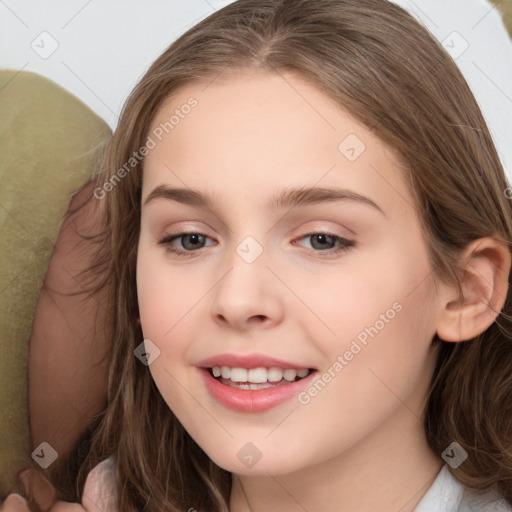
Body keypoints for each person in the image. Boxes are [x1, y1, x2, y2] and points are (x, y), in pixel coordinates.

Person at [3, 0, 512, 510]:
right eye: (190, 239)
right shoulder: (109, 493)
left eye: (321, 240)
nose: (239, 299)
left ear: (468, 290)